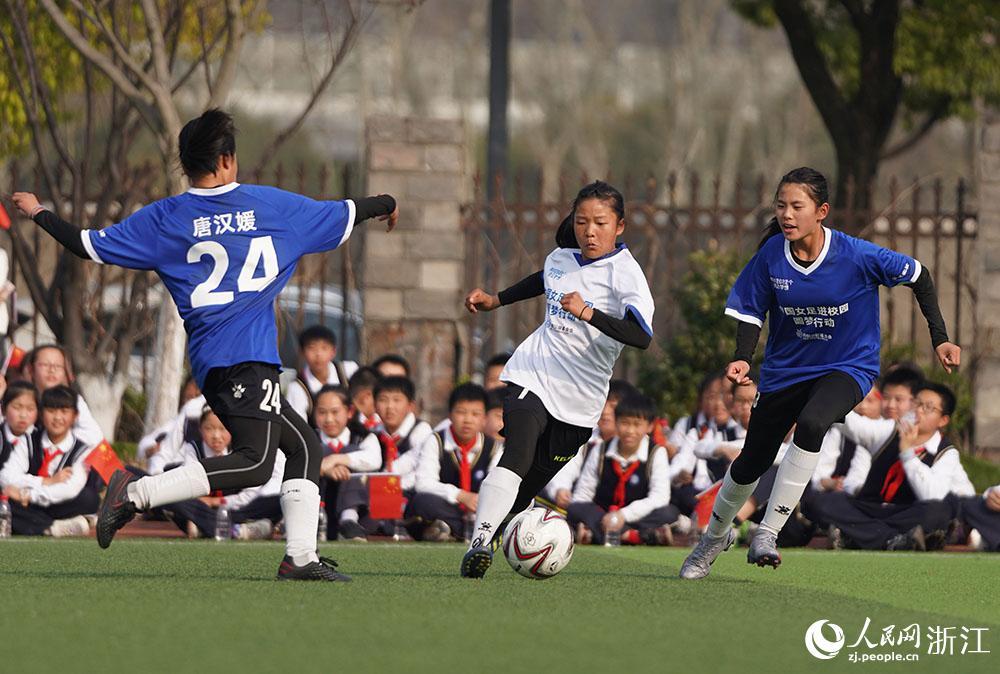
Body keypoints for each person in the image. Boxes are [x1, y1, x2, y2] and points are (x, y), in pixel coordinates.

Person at [12, 108, 398, 581]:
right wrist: (386, 202)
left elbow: (86, 244)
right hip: (246, 361)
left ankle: (300, 557)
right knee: (256, 462)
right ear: (229, 160)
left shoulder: (166, 218)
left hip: (217, 362)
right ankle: (134, 493)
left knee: (303, 450)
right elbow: (345, 211)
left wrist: (38, 212)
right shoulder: (271, 207)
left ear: (187, 163)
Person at [680, 166, 961, 579]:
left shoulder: (857, 255)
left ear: (821, 211)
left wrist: (940, 338)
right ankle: (713, 539)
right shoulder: (771, 257)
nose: (787, 215)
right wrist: (742, 357)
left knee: (813, 423)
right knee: (750, 462)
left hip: (849, 366)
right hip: (785, 372)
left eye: (797, 206)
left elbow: (920, 276)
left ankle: (767, 533)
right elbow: (749, 311)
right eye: (781, 206)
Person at [459, 180, 655, 578]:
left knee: (528, 485)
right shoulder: (561, 258)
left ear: (620, 226)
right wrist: (495, 299)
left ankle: (500, 533)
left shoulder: (626, 275)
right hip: (534, 372)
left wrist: (590, 314)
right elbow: (543, 278)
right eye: (582, 221)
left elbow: (641, 336)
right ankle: (479, 541)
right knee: (518, 451)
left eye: (600, 222)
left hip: (581, 402)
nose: (589, 230)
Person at [805, 382, 974, 550]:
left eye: (928, 408)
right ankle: (894, 541)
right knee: (822, 502)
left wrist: (907, 452)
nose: (919, 411)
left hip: (906, 512)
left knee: (938, 512)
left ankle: (859, 537)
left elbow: (930, 495)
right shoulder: (890, 430)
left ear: (943, 420)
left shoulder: (946, 453)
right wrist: (828, 397)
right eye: (917, 403)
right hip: (871, 508)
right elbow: (854, 427)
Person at [567, 392, 677, 545]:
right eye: (625, 423)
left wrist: (623, 515)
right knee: (575, 508)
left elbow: (659, 497)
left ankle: (600, 535)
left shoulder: (656, 452)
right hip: (603, 516)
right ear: (616, 422)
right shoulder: (600, 450)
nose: (630, 431)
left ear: (650, 426)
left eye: (637, 424)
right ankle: (635, 536)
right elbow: (582, 494)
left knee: (669, 512)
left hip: (636, 517)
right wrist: (608, 518)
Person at [162, 407, 285, 540]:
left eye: (223, 429)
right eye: (209, 428)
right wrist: (204, 502)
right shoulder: (193, 449)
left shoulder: (242, 451)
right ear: (200, 429)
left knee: (279, 501)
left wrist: (216, 501)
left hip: (234, 509)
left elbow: (249, 495)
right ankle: (238, 531)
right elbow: (189, 485)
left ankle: (206, 528)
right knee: (169, 497)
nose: (216, 436)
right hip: (200, 508)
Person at [2, 385, 100, 536]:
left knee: (89, 498)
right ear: (41, 414)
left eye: (64, 411)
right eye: (51, 411)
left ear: (75, 416)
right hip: (26, 504)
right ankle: (52, 528)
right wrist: (45, 481)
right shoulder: (28, 440)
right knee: (4, 497)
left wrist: (28, 495)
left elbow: (70, 488)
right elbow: (7, 476)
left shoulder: (82, 450)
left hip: (52, 502)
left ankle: (35, 524)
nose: (57, 418)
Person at [409, 383, 500, 541]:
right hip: (448, 508)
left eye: (475, 414)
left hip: (481, 512)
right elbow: (423, 483)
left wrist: (481, 502)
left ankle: (449, 531)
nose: (467, 420)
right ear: (450, 415)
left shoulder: (493, 448)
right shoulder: (436, 440)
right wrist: (460, 495)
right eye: (461, 412)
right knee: (421, 502)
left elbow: (497, 484)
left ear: (484, 419)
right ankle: (459, 531)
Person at [314, 385, 381, 540]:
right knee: (318, 453)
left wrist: (336, 459)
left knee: (350, 454)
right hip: (318, 508)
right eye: (322, 412)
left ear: (349, 412)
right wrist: (324, 469)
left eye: (335, 412)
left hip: (361, 511)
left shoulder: (364, 437)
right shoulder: (309, 438)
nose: (329, 419)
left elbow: (374, 460)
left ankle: (349, 519)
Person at [286, 325, 359, 422]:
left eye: (324, 348)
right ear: (302, 353)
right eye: (312, 348)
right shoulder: (297, 388)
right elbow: (299, 425)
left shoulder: (348, 371)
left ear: (333, 351)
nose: (318, 354)